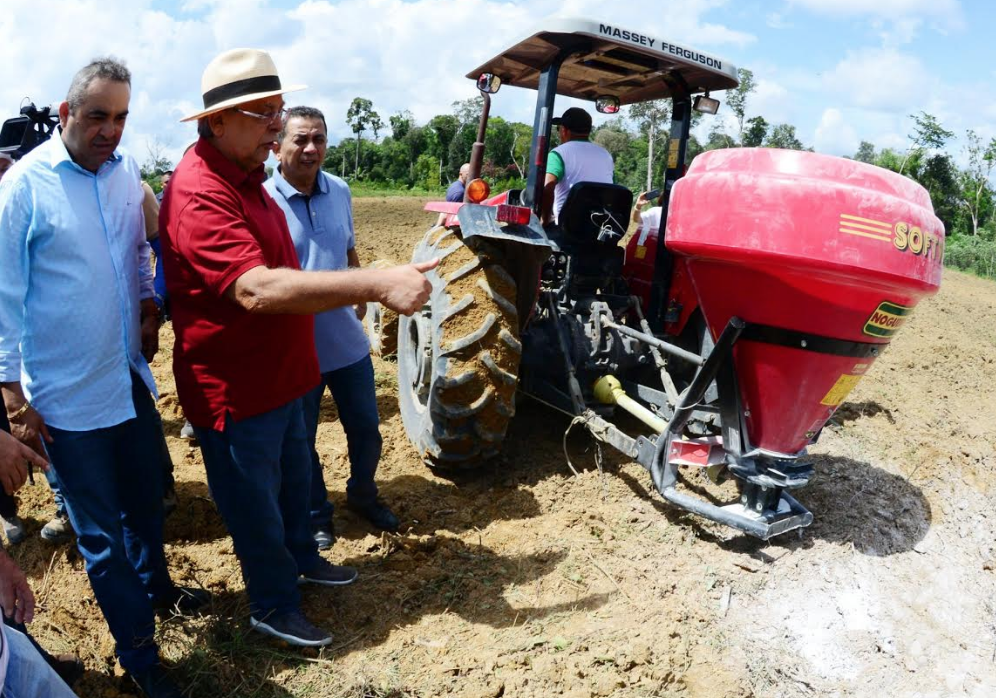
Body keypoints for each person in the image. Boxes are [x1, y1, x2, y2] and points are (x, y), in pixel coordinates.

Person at [160, 48, 435, 648]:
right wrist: (375, 283)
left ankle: (303, 562)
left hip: (285, 375)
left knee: (292, 484)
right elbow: (255, 289)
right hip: (238, 389)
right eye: (264, 114)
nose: (276, 126)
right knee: (254, 504)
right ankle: (273, 604)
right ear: (217, 122)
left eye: (278, 111)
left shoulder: (248, 176)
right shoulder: (199, 191)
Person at [0, 58, 208, 698]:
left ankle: (159, 590)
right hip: (65, 402)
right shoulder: (25, 186)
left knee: (146, 504)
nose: (110, 131)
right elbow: (3, 295)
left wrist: (147, 303)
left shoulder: (124, 176)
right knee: (102, 538)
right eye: (97, 116)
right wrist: (11, 397)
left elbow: (138, 250)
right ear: (66, 114)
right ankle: (139, 655)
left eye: (120, 117)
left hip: (126, 382)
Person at [264, 106, 398, 551]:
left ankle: (363, 494)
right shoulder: (262, 200)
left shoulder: (339, 189)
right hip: (294, 347)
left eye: (318, 139)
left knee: (366, 428)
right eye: (300, 139)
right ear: (277, 146)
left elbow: (349, 249)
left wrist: (359, 292)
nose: (310, 148)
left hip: (346, 342)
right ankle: (316, 514)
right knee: (301, 442)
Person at [541, 107, 614, 225]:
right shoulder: (606, 155)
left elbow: (548, 188)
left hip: (566, 227)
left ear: (564, 130)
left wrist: (545, 220)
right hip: (598, 227)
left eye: (559, 129)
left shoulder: (558, 154)